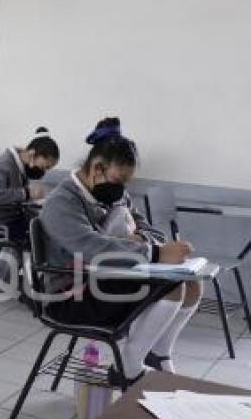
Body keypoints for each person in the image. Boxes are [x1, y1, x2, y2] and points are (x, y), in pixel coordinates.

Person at [39, 119, 202, 384]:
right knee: (172, 287)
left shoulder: (113, 194)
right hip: (72, 294)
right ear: (97, 169)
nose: (122, 188)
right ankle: (128, 367)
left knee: (192, 284)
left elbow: (150, 229)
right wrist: (155, 253)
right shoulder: (62, 202)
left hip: (106, 276)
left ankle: (158, 354)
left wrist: (143, 240)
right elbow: (92, 247)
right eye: (118, 180)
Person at [0, 127, 60, 243]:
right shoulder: (3, 165)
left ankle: (27, 260)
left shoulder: (20, 165)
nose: (43, 171)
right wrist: (26, 193)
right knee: (46, 235)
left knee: (53, 226)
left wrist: (38, 203)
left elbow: (18, 199)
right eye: (44, 167)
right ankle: (25, 260)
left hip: (14, 218)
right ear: (32, 154)